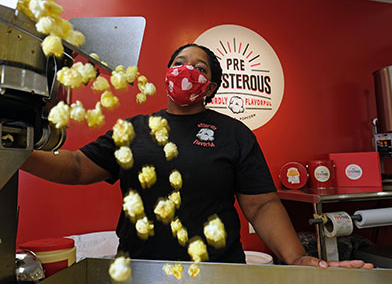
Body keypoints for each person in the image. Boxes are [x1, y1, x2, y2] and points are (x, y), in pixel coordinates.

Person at [21, 44, 373, 268]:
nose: (186, 71)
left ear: (212, 86)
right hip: (141, 267)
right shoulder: (135, 128)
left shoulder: (234, 133)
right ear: (167, 74)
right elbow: (78, 166)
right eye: (179, 62)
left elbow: (261, 205)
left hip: (217, 267)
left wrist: (296, 258)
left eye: (200, 67)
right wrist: (19, 152)